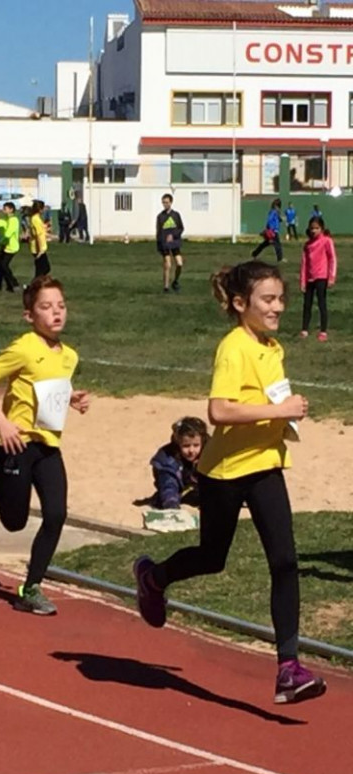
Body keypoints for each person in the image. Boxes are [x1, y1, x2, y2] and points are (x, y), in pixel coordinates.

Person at [133, 261, 326, 706]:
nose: (278, 307)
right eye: (268, 300)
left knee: (284, 561)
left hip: (265, 467)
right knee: (211, 557)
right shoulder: (233, 347)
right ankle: (154, 576)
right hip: (223, 473)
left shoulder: (272, 347)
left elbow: (267, 400)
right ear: (241, 304)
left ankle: (288, 669)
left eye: (281, 298)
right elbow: (218, 411)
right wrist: (279, 412)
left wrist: (287, 413)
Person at [0, 276, 90, 615]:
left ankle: (31, 587)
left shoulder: (69, 355)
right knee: (14, 522)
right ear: (29, 316)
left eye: (60, 306)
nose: (56, 313)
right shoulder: (23, 347)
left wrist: (70, 397)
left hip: (47, 445)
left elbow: (50, 388)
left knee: (56, 514)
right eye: (46, 307)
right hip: (16, 444)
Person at [150, 416, 207, 509]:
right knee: (165, 498)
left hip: (199, 490)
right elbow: (168, 484)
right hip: (178, 491)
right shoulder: (168, 458)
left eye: (196, 445)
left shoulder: (208, 453)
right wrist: (171, 504)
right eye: (186, 446)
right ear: (177, 443)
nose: (191, 450)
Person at [299, 215, 336, 342]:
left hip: (322, 277)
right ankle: (304, 329)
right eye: (312, 228)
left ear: (322, 228)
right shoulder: (307, 245)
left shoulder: (326, 241)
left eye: (317, 228)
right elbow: (304, 264)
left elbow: (332, 259)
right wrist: (302, 281)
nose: (314, 231)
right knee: (307, 304)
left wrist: (331, 277)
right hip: (310, 278)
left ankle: (323, 331)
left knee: (321, 303)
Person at [156, 193, 185, 293]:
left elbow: (181, 228)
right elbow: (159, 232)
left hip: (175, 243)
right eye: (163, 202)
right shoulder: (160, 216)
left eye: (167, 202)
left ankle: (175, 281)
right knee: (167, 264)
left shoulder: (176, 215)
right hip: (164, 244)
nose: (165, 204)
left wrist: (174, 235)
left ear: (171, 202)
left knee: (179, 263)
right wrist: (159, 244)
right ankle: (166, 287)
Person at [0, 201, 21, 290]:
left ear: (11, 210)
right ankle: (10, 286)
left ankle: (14, 284)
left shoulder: (13, 220)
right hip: (6, 246)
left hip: (12, 247)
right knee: (2, 266)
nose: (3, 210)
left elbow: (8, 234)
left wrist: (0, 240)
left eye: (5, 209)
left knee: (4, 265)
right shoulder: (7, 220)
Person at [29, 200, 51, 277]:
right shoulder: (35, 219)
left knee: (41, 269)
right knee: (44, 268)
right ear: (40, 209)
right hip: (38, 248)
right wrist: (40, 250)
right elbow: (38, 235)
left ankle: (36, 285)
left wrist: (46, 228)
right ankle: (34, 286)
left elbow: (40, 231)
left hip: (40, 247)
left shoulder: (37, 218)